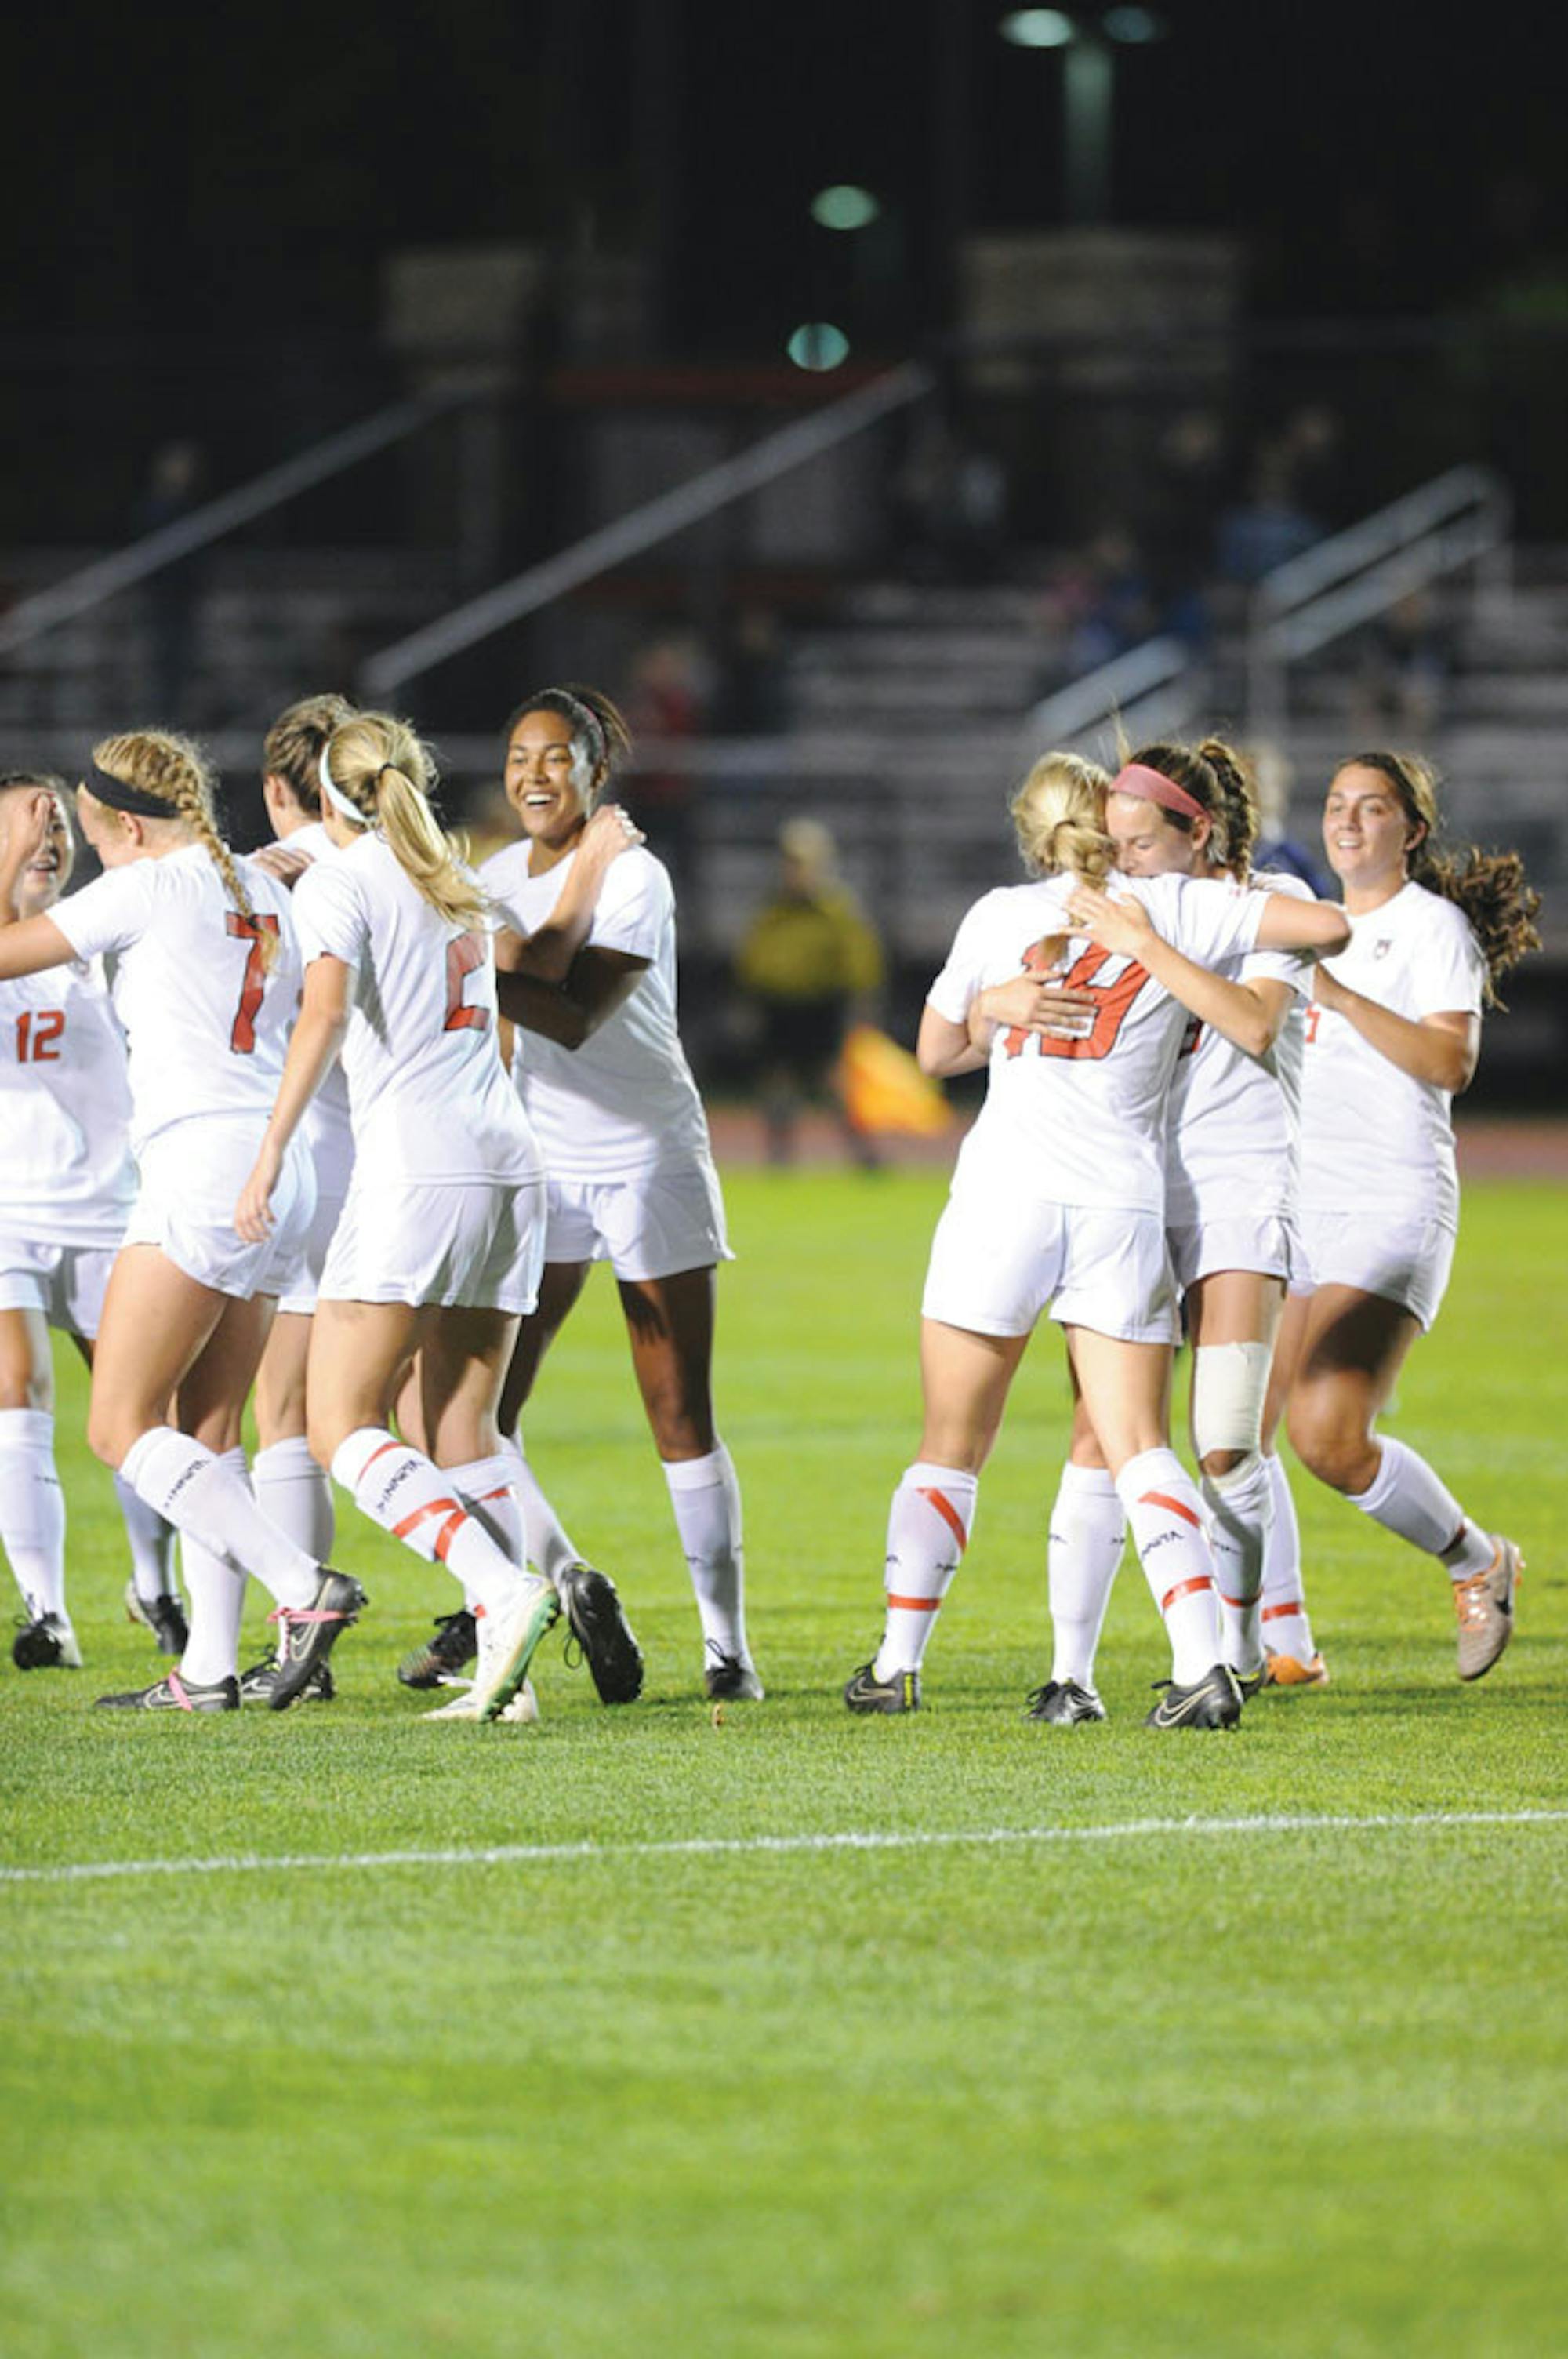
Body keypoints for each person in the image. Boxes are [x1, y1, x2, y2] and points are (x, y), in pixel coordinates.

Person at [841, 751, 1352, 1728]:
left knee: (952, 1440)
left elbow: (933, 1053)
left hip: (1004, 1195)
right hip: (1121, 1200)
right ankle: (1201, 1662)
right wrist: (1167, 931)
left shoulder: (998, 915)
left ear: (1031, 830)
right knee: (1137, 1447)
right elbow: (1327, 924)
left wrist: (995, 1005)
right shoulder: (1177, 903)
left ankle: (895, 1661)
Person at [236, 709, 641, 1725]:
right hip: (508, 1164)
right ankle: (516, 1684)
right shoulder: (458, 880)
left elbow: (323, 1017)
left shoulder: (345, 878)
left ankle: (505, 1594)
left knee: (341, 1423)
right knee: (464, 1428)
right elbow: (504, 1026)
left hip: (417, 1168)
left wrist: (273, 1149)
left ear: (329, 797)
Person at [0, 731, 357, 1714]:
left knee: (121, 1424)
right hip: (274, 1168)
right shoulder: (260, 883)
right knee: (208, 1426)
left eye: (89, 825)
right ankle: (205, 1667)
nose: (86, 846)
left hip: (199, 1166)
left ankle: (304, 1588)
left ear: (125, 820)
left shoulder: (150, 882)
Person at [470, 683, 760, 1705]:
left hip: (644, 1158)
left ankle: (728, 1651)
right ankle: (527, 1593)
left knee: (677, 1409)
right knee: (479, 1412)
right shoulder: (495, 871)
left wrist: (452, 972)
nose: (533, 775)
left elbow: (573, 1010)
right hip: (538, 1164)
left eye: (555, 756)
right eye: (517, 756)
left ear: (595, 768)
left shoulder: (634, 875)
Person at [1027, 739, 1319, 1723]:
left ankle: (1256, 1638)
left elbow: (1252, 1024)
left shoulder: (1259, 904)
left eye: (1143, 842)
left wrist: (1148, 941)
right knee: (1105, 1433)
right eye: (1114, 844)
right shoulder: (1135, 903)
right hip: (1146, 1194)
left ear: (1198, 833)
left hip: (1239, 1191)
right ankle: (1078, 1669)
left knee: (1226, 1440)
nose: (1126, 862)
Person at [1258, 751, 1539, 1682]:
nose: (1346, 822)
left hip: (1392, 1204)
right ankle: (1272, 1644)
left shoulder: (1431, 927)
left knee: (1325, 1438)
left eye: (1370, 807)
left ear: (1408, 830)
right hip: (1300, 1208)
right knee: (1234, 1434)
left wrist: (1335, 993)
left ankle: (1475, 1560)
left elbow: (1447, 1061)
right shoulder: (1309, 923)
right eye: (1336, 804)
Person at [0, 772, 182, 1669]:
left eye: (60, 823)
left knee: (135, 1407)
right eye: (26, 825)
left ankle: (157, 1586)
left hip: (110, 1206)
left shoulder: (103, 924)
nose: (48, 838)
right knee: (16, 1389)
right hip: (7, 1212)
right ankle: (47, 1613)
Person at [238, 693, 358, 1698]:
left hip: (313, 1152)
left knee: (282, 1409)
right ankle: (537, 1576)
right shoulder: (416, 859)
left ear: (279, 788)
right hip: (420, 1157)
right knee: (450, 1418)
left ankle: (299, 1646)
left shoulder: (266, 878)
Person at [734, 817, 886, 1166]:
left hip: (822, 1004)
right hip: (779, 1005)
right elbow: (754, 958)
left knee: (835, 1085)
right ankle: (780, 1156)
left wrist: (862, 1010)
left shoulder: (835, 910)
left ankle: (864, 1155)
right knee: (778, 1087)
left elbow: (860, 962)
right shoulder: (771, 909)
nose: (794, 872)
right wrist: (749, 1000)